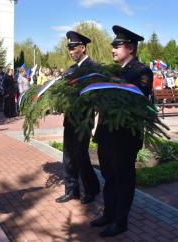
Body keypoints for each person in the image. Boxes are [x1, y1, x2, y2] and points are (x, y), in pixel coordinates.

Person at [91, 25, 153, 237]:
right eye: (113, 45)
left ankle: (120, 221)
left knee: (123, 179)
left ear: (131, 48)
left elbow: (136, 96)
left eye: (117, 45)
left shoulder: (141, 71)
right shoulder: (111, 71)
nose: (113, 49)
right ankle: (108, 213)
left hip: (125, 137)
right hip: (106, 134)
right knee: (108, 176)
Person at [55, 31, 100, 204]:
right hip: (71, 118)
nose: (71, 51)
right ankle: (71, 190)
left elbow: (94, 94)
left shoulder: (92, 67)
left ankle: (91, 189)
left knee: (81, 155)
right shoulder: (71, 69)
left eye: (73, 47)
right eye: (69, 48)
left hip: (84, 119)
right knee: (68, 155)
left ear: (83, 47)